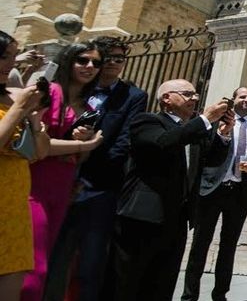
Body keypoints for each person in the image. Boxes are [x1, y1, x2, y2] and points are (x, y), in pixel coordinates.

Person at [44, 36, 148, 301]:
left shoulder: (133, 96)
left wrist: (85, 172)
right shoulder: (76, 90)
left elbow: (123, 143)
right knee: (53, 257)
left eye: (120, 59)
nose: (114, 64)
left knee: (90, 263)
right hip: (58, 179)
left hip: (99, 187)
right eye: (108, 58)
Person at [110, 80, 232, 301]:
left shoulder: (192, 130)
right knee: (128, 283)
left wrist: (223, 135)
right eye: (187, 94)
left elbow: (208, 163)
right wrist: (206, 119)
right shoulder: (147, 121)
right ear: (166, 98)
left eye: (196, 94)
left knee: (163, 284)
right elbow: (163, 143)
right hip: (142, 218)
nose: (194, 98)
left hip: (176, 220)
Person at [23, 42, 106, 301]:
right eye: (83, 60)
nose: (90, 66)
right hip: (35, 182)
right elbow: (39, 147)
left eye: (96, 63)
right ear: (69, 60)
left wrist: (83, 145)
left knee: (45, 258)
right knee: (33, 268)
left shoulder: (90, 108)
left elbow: (81, 156)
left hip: (64, 186)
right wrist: (85, 142)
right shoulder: (52, 93)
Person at [183, 86, 247, 301]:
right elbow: (202, 151)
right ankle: (189, 296)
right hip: (212, 190)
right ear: (234, 100)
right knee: (199, 246)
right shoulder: (215, 123)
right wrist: (222, 135)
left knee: (228, 247)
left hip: (239, 193)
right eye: (242, 97)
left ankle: (220, 295)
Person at [0, 31, 50, 300]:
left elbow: (37, 153)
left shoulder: (14, 98)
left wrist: (34, 118)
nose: (11, 63)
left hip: (14, 208)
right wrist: (19, 109)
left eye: (12, 56)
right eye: (5, 56)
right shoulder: (15, 103)